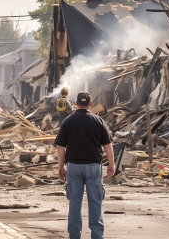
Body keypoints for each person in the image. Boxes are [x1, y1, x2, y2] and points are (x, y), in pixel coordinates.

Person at [55, 91, 115, 239]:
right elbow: (108, 145)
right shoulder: (98, 121)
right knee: (95, 202)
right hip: (93, 166)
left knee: (75, 202)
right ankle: (97, 236)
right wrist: (111, 164)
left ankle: (74, 236)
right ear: (90, 104)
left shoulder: (68, 121)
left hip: (74, 167)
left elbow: (60, 147)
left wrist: (61, 166)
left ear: (75, 104)